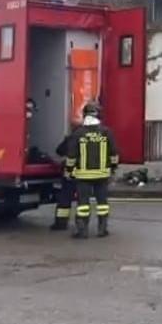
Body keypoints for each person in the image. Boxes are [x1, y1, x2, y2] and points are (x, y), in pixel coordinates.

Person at [60, 101, 119, 239]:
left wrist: (69, 171)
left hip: (83, 176)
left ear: (84, 114)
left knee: (83, 204)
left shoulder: (78, 133)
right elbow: (114, 154)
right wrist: (113, 169)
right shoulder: (106, 132)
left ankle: (82, 231)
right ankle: (102, 229)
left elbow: (71, 156)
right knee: (102, 203)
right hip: (102, 176)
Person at [50, 132, 76, 231]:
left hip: (71, 174)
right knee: (83, 201)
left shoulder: (73, 137)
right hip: (87, 174)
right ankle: (83, 227)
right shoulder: (102, 135)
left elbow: (60, 150)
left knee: (65, 199)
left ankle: (61, 224)